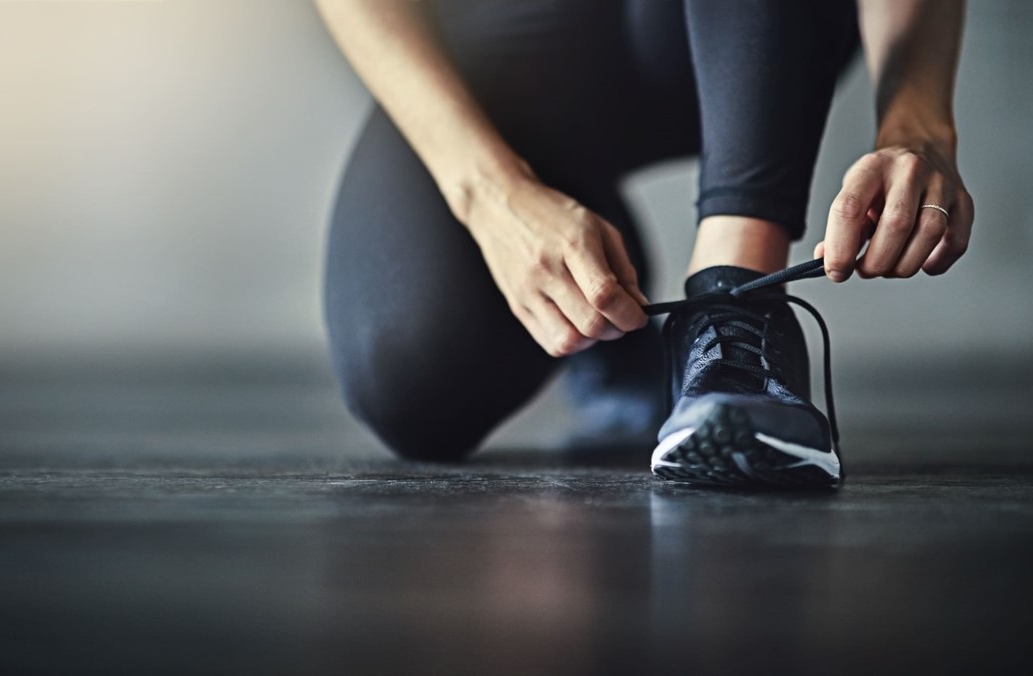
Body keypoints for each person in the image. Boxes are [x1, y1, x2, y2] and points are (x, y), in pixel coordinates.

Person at [315, 0, 973, 487]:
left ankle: (736, 314)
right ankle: (608, 297)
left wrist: (919, 124)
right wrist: (489, 193)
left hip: (751, 29)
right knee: (410, 383)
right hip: (504, 37)